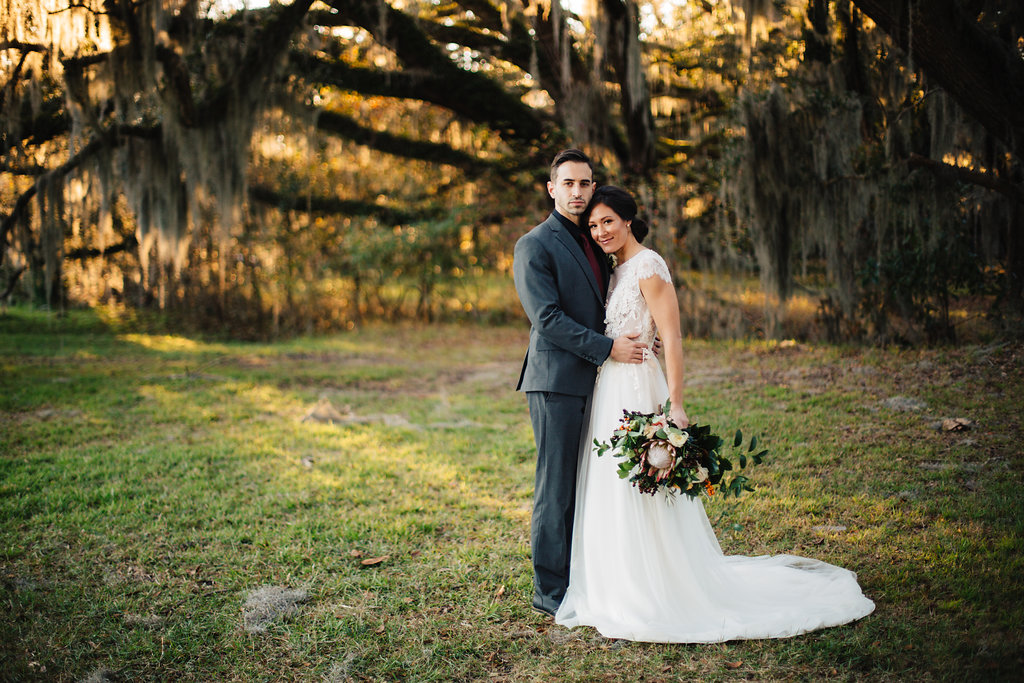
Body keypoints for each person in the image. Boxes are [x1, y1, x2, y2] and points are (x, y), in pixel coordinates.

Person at [554, 186, 875, 642]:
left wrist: (676, 404)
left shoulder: (648, 265)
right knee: (615, 482)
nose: (600, 231)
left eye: (607, 221)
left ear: (627, 220)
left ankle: (655, 588)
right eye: (593, 225)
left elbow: (674, 336)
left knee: (644, 484)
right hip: (610, 388)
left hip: (641, 389)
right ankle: (618, 584)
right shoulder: (617, 269)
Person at [513, 150, 651, 618]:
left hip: (598, 382)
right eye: (568, 183)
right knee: (556, 486)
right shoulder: (534, 244)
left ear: (594, 188)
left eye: (585, 183)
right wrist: (608, 347)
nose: (577, 191)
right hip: (556, 381)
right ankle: (550, 593)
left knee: (586, 483)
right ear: (552, 188)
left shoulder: (597, 239)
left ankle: (586, 575)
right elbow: (547, 318)